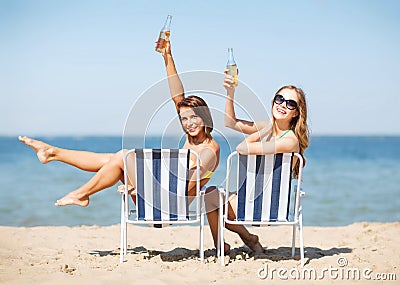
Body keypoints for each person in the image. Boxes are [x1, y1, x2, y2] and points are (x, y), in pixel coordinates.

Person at [18, 38, 219, 208]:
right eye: (184, 119)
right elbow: (178, 97)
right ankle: (53, 153)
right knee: (113, 159)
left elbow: (188, 189)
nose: (189, 123)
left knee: (124, 156)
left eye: (194, 117)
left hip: (167, 208)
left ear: (205, 117)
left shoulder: (210, 150)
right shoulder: (192, 139)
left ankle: (80, 193)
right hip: (154, 198)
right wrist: (168, 56)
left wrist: (141, 185)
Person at [205, 71, 310, 255]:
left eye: (290, 103)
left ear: (296, 113)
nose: (283, 105)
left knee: (211, 198)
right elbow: (230, 123)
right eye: (279, 99)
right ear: (273, 102)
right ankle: (247, 239)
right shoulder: (269, 129)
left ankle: (239, 241)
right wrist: (230, 92)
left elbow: (242, 147)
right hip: (253, 200)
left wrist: (268, 127)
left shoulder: (290, 140)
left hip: (265, 205)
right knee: (213, 197)